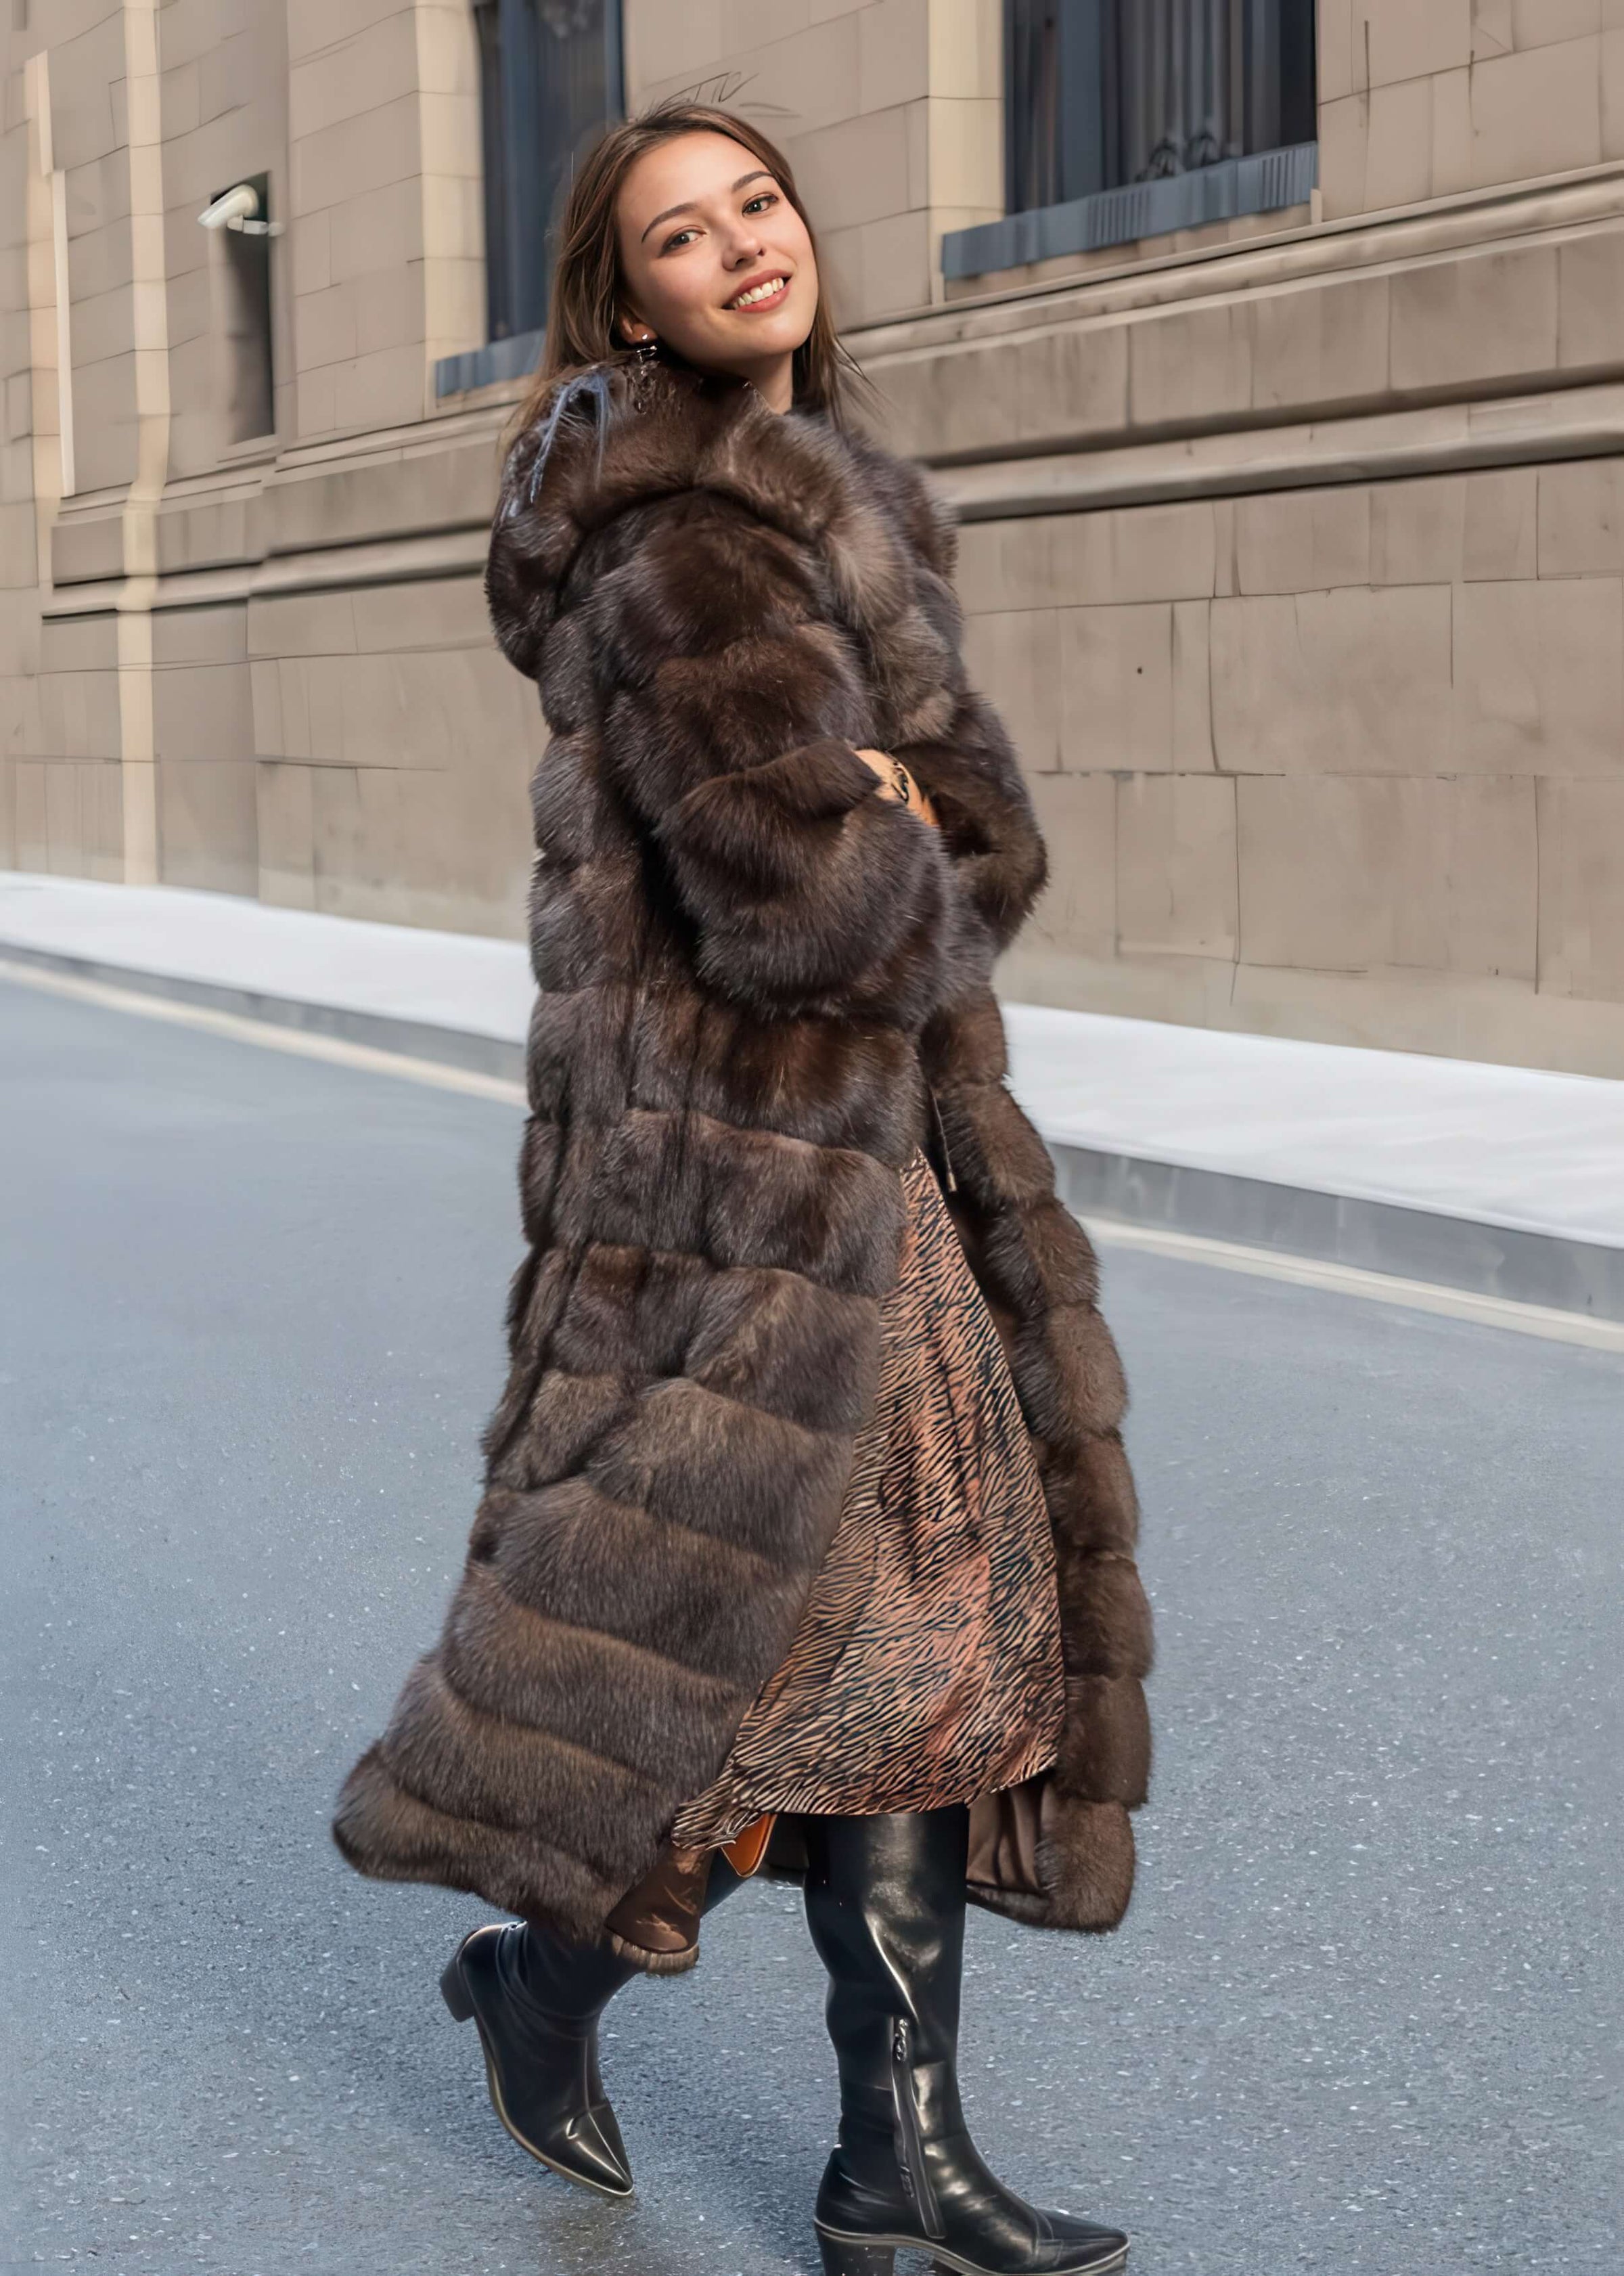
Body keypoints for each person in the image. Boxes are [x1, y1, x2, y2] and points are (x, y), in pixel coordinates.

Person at [333, 102, 1152, 2276]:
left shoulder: (830, 508)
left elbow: (971, 835)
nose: (745, 248)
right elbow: (832, 908)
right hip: (751, 1175)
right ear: (633, 302)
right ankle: (600, 2005)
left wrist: (920, 819)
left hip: (858, 1155)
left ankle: (869, 2150)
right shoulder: (691, 540)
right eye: (686, 237)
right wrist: (904, 821)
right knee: (816, 1649)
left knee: (895, 1649)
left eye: (761, 203)